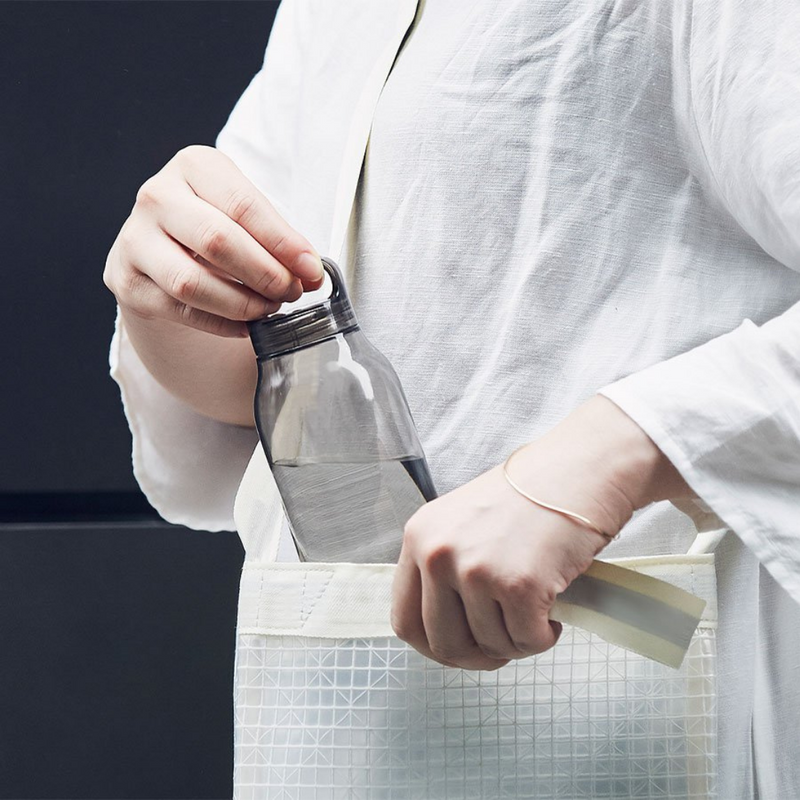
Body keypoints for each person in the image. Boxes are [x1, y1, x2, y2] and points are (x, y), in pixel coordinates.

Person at [104, 0, 800, 797]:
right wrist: (170, 288)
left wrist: (617, 451)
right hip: (357, 739)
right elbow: (254, 391)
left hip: (645, 723)